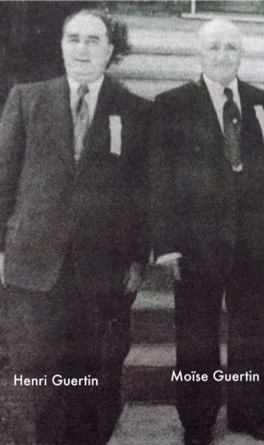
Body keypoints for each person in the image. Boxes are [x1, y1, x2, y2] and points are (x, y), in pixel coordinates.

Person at [0, 10, 149, 444]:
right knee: (33, 379)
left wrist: (138, 259)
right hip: (33, 264)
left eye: (93, 40)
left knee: (94, 379)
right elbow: (3, 178)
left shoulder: (135, 109)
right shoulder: (26, 99)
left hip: (102, 271)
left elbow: (144, 192)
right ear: (62, 45)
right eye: (73, 38)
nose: (82, 49)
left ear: (110, 49)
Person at [148, 18, 264, 445]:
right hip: (196, 244)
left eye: (231, 47)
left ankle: (249, 413)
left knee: (253, 332)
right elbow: (158, 178)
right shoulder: (172, 104)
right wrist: (167, 245)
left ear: (241, 53)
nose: (223, 55)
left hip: (253, 242)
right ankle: (197, 421)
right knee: (195, 336)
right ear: (199, 53)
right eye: (213, 47)